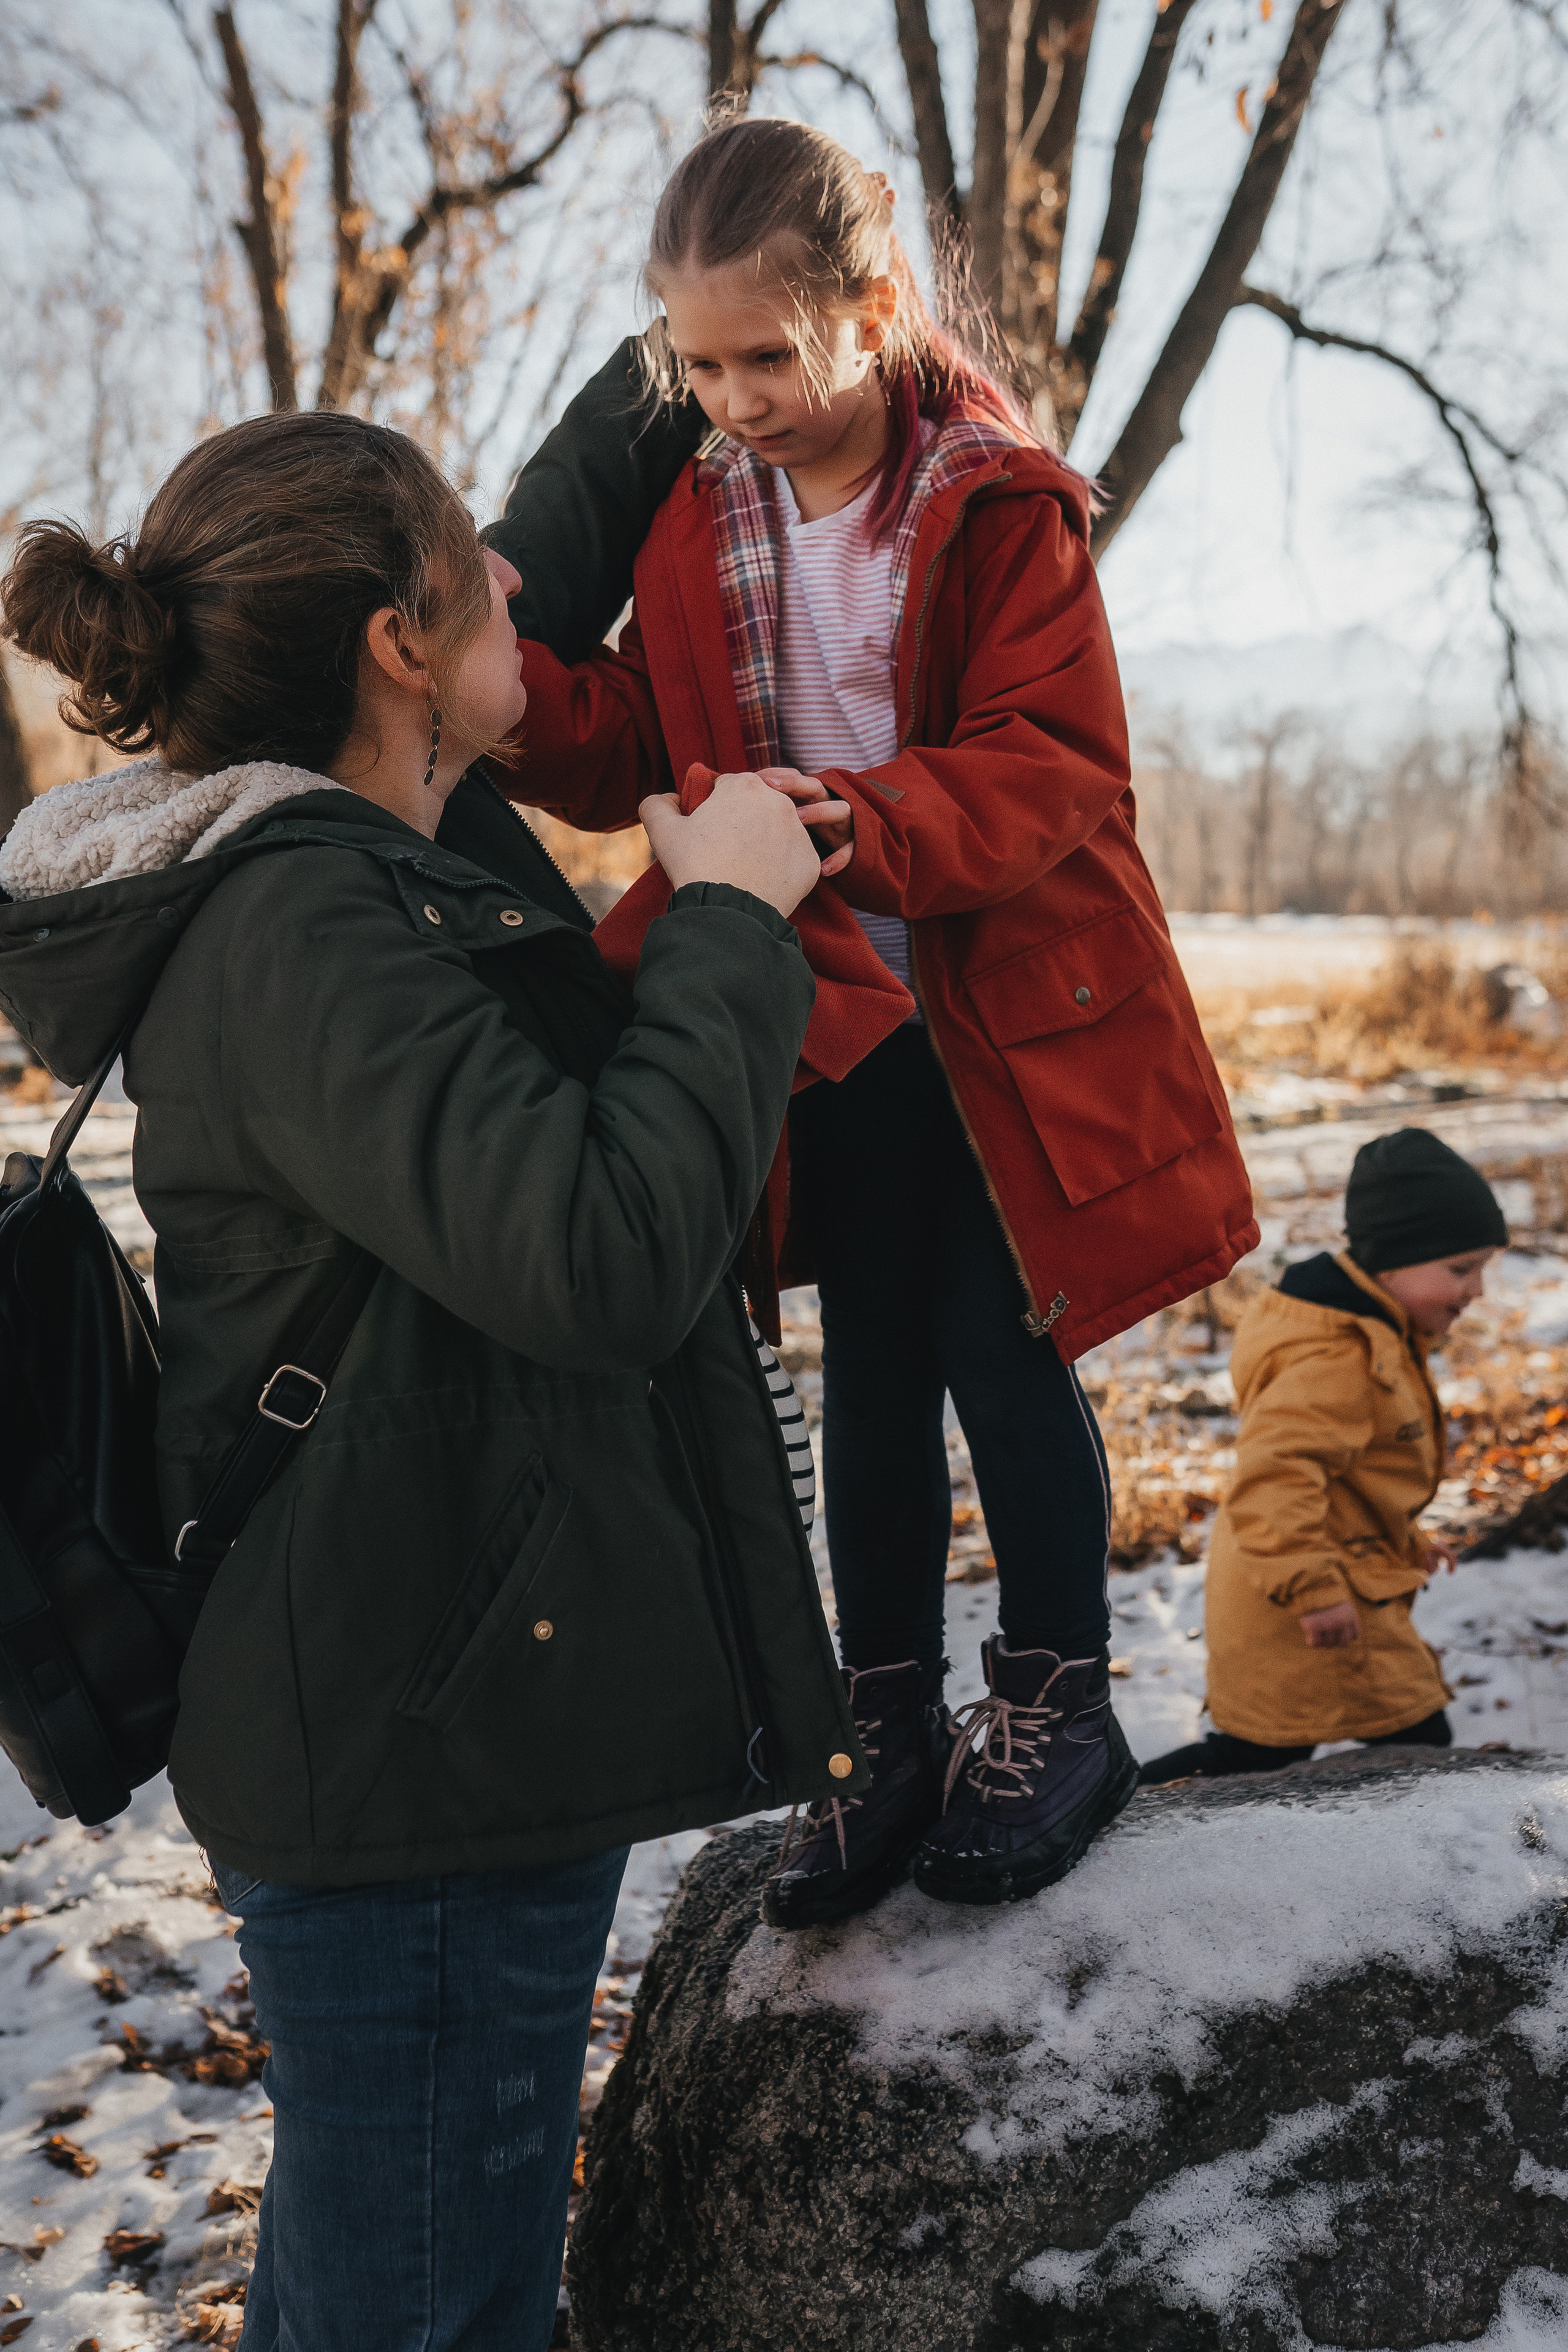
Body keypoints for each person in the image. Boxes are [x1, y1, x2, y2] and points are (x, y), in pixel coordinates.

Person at [0, 407, 862, 2352]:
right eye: (471, 580)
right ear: (399, 643)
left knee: (406, 2278)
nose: (515, 597)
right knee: (420, 2307)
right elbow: (596, 1247)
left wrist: (670, 373)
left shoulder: (360, 839)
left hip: (439, 1688)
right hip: (418, 1738)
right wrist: (728, 916)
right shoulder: (307, 917)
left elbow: (524, 553)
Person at [485, 115, 1257, 1922]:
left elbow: (1050, 761)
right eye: (698, 364)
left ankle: (1062, 1696)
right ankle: (884, 1718)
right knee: (874, 1370)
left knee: (1001, 1345)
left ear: (874, 308)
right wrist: (497, 676)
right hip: (813, 1006)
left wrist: (856, 820)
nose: (735, 396)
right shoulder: (694, 513)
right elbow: (638, 749)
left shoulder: (991, 503)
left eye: (769, 354)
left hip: (995, 1004)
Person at [1140, 1129, 1509, 1785]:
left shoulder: (1369, 1325)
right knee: (1412, 1746)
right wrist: (1312, 1590)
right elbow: (1275, 1479)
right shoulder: (1336, 1353)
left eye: (1483, 1267)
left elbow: (1349, 1473)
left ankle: (1123, 1799)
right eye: (1460, 1268)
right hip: (1303, 1599)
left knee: (1262, 1756)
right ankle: (1122, 1800)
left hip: (1313, 1576)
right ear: (1392, 1262)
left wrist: (1404, 1537)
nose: (1477, 1288)